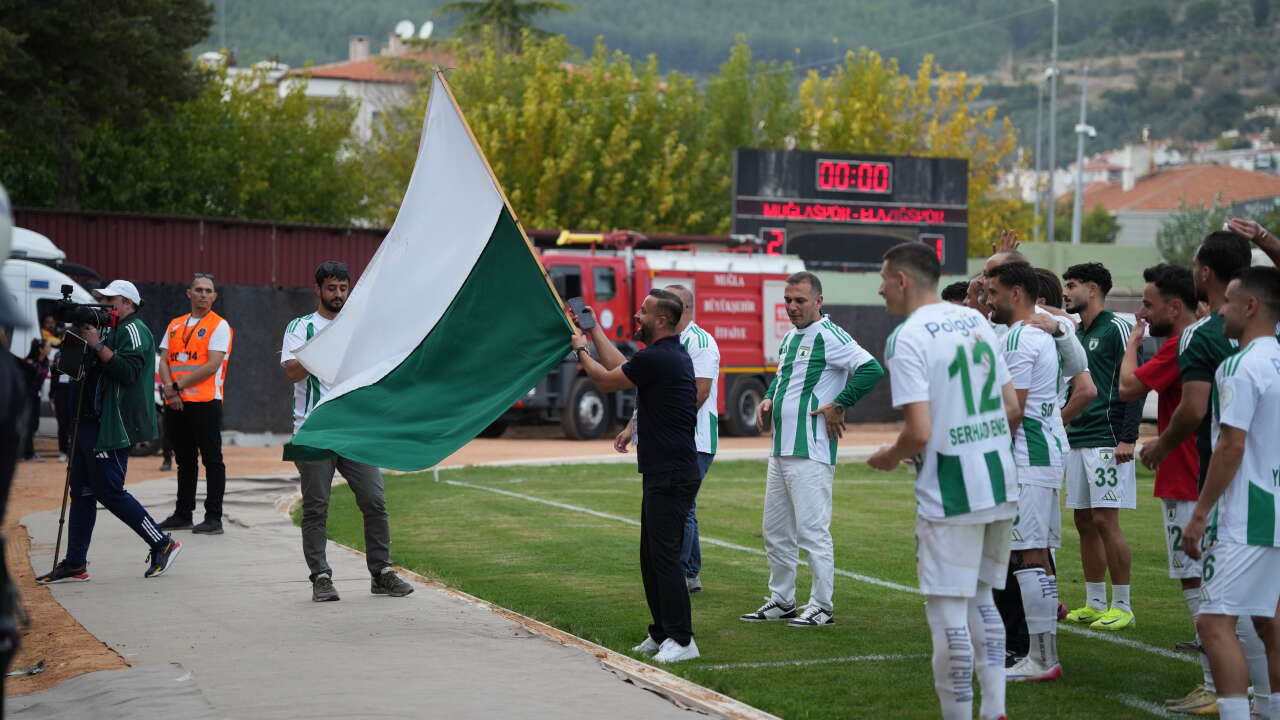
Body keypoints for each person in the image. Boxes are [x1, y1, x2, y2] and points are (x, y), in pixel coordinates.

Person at [869, 242, 1020, 720]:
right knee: (982, 599)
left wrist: (889, 457)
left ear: (902, 280)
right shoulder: (977, 321)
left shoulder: (908, 337)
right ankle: (994, 710)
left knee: (948, 611)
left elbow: (919, 431)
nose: (879, 288)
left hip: (951, 488)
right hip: (999, 478)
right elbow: (1013, 407)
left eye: (883, 277)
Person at [1139, 231, 1264, 714]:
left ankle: (1221, 690)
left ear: (1205, 273)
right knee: (1265, 608)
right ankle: (1262, 700)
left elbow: (1195, 411)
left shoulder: (1206, 336)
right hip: (1266, 481)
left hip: (1222, 480)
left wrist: (1161, 445)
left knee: (1216, 604)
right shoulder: (1269, 342)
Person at [741, 271, 883, 628]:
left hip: (812, 450)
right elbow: (783, 374)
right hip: (780, 449)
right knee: (775, 530)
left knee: (812, 531)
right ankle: (782, 599)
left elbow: (871, 369)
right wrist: (770, 397)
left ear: (819, 301)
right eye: (788, 300)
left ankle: (822, 605)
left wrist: (840, 403)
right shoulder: (790, 337)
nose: (792, 307)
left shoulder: (832, 335)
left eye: (800, 300)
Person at [571, 288, 701, 663]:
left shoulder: (663, 357)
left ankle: (682, 639)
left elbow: (606, 380)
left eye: (643, 312)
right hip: (665, 469)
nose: (637, 316)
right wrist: (593, 330)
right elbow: (621, 366)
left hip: (672, 472)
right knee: (651, 557)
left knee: (665, 559)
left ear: (661, 320)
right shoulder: (662, 355)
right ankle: (662, 633)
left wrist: (579, 348)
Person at [281, 261, 414, 603]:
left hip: (354, 430)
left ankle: (381, 572)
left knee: (375, 500)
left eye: (343, 288)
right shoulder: (301, 327)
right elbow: (293, 372)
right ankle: (321, 577)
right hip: (313, 430)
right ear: (318, 290)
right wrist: (328, 343)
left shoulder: (360, 327)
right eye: (332, 288)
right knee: (316, 508)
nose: (338, 295)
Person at [1181, 266, 1280, 720]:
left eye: (1229, 300)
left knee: (1214, 621)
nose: (1220, 308)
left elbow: (1231, 444)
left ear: (1252, 307)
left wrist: (1200, 513)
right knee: (1269, 620)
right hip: (1276, 506)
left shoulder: (1240, 365)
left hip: (1247, 512)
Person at [36, 280, 182, 583]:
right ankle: (76, 562)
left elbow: (128, 373)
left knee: (109, 491)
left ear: (127, 302)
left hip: (112, 424)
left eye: (109, 299)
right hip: (88, 421)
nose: (102, 306)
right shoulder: (106, 329)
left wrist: (96, 344)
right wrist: (76, 339)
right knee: (83, 492)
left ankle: (162, 543)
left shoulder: (134, 330)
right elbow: (70, 370)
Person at [1116, 264, 1211, 710]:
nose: (1142, 312)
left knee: (1198, 581)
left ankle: (1217, 684)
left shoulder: (1181, 343)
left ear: (1176, 307)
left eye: (1149, 305)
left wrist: (1131, 346)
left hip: (1186, 473)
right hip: (1202, 472)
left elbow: (1128, 387)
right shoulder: (1216, 337)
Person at [984, 262, 1064, 683]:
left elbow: (1013, 408)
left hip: (1026, 456)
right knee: (1038, 558)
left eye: (994, 292)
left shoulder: (1018, 337)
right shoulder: (1040, 334)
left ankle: (1041, 658)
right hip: (1044, 454)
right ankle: (1041, 652)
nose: (989, 300)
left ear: (1015, 293)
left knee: (1029, 557)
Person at [615, 284, 718, 594]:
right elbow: (650, 392)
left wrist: (669, 426)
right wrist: (633, 425)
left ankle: (683, 574)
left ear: (678, 310)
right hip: (672, 439)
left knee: (682, 509)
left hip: (693, 440)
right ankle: (689, 572)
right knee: (686, 508)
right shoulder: (664, 344)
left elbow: (698, 393)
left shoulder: (700, 342)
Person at [1058, 262, 1143, 631]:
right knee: (1083, 520)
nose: (1066, 292)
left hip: (1108, 438)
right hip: (1077, 437)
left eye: (1071, 285)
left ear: (1092, 289)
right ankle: (1094, 601)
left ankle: (1122, 605)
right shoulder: (1074, 331)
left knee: (1106, 520)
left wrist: (1128, 436)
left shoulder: (1118, 327)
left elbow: (1137, 383)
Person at [156, 274, 233, 535]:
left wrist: (176, 386)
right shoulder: (175, 325)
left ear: (214, 296)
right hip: (177, 402)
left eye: (208, 290)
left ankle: (214, 518)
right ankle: (183, 513)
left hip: (205, 401)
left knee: (212, 460)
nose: (203, 294)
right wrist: (170, 390)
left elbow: (212, 365)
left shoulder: (219, 325)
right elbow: (164, 360)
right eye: (198, 289)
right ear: (188, 293)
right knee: (184, 460)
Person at [19, 339, 50, 461]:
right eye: (47, 347)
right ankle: (26, 453)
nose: (50, 349)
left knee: (34, 424)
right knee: (27, 424)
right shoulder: (29, 363)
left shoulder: (46, 362)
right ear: (40, 349)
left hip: (36, 396)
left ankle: (28, 452)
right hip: (27, 397)